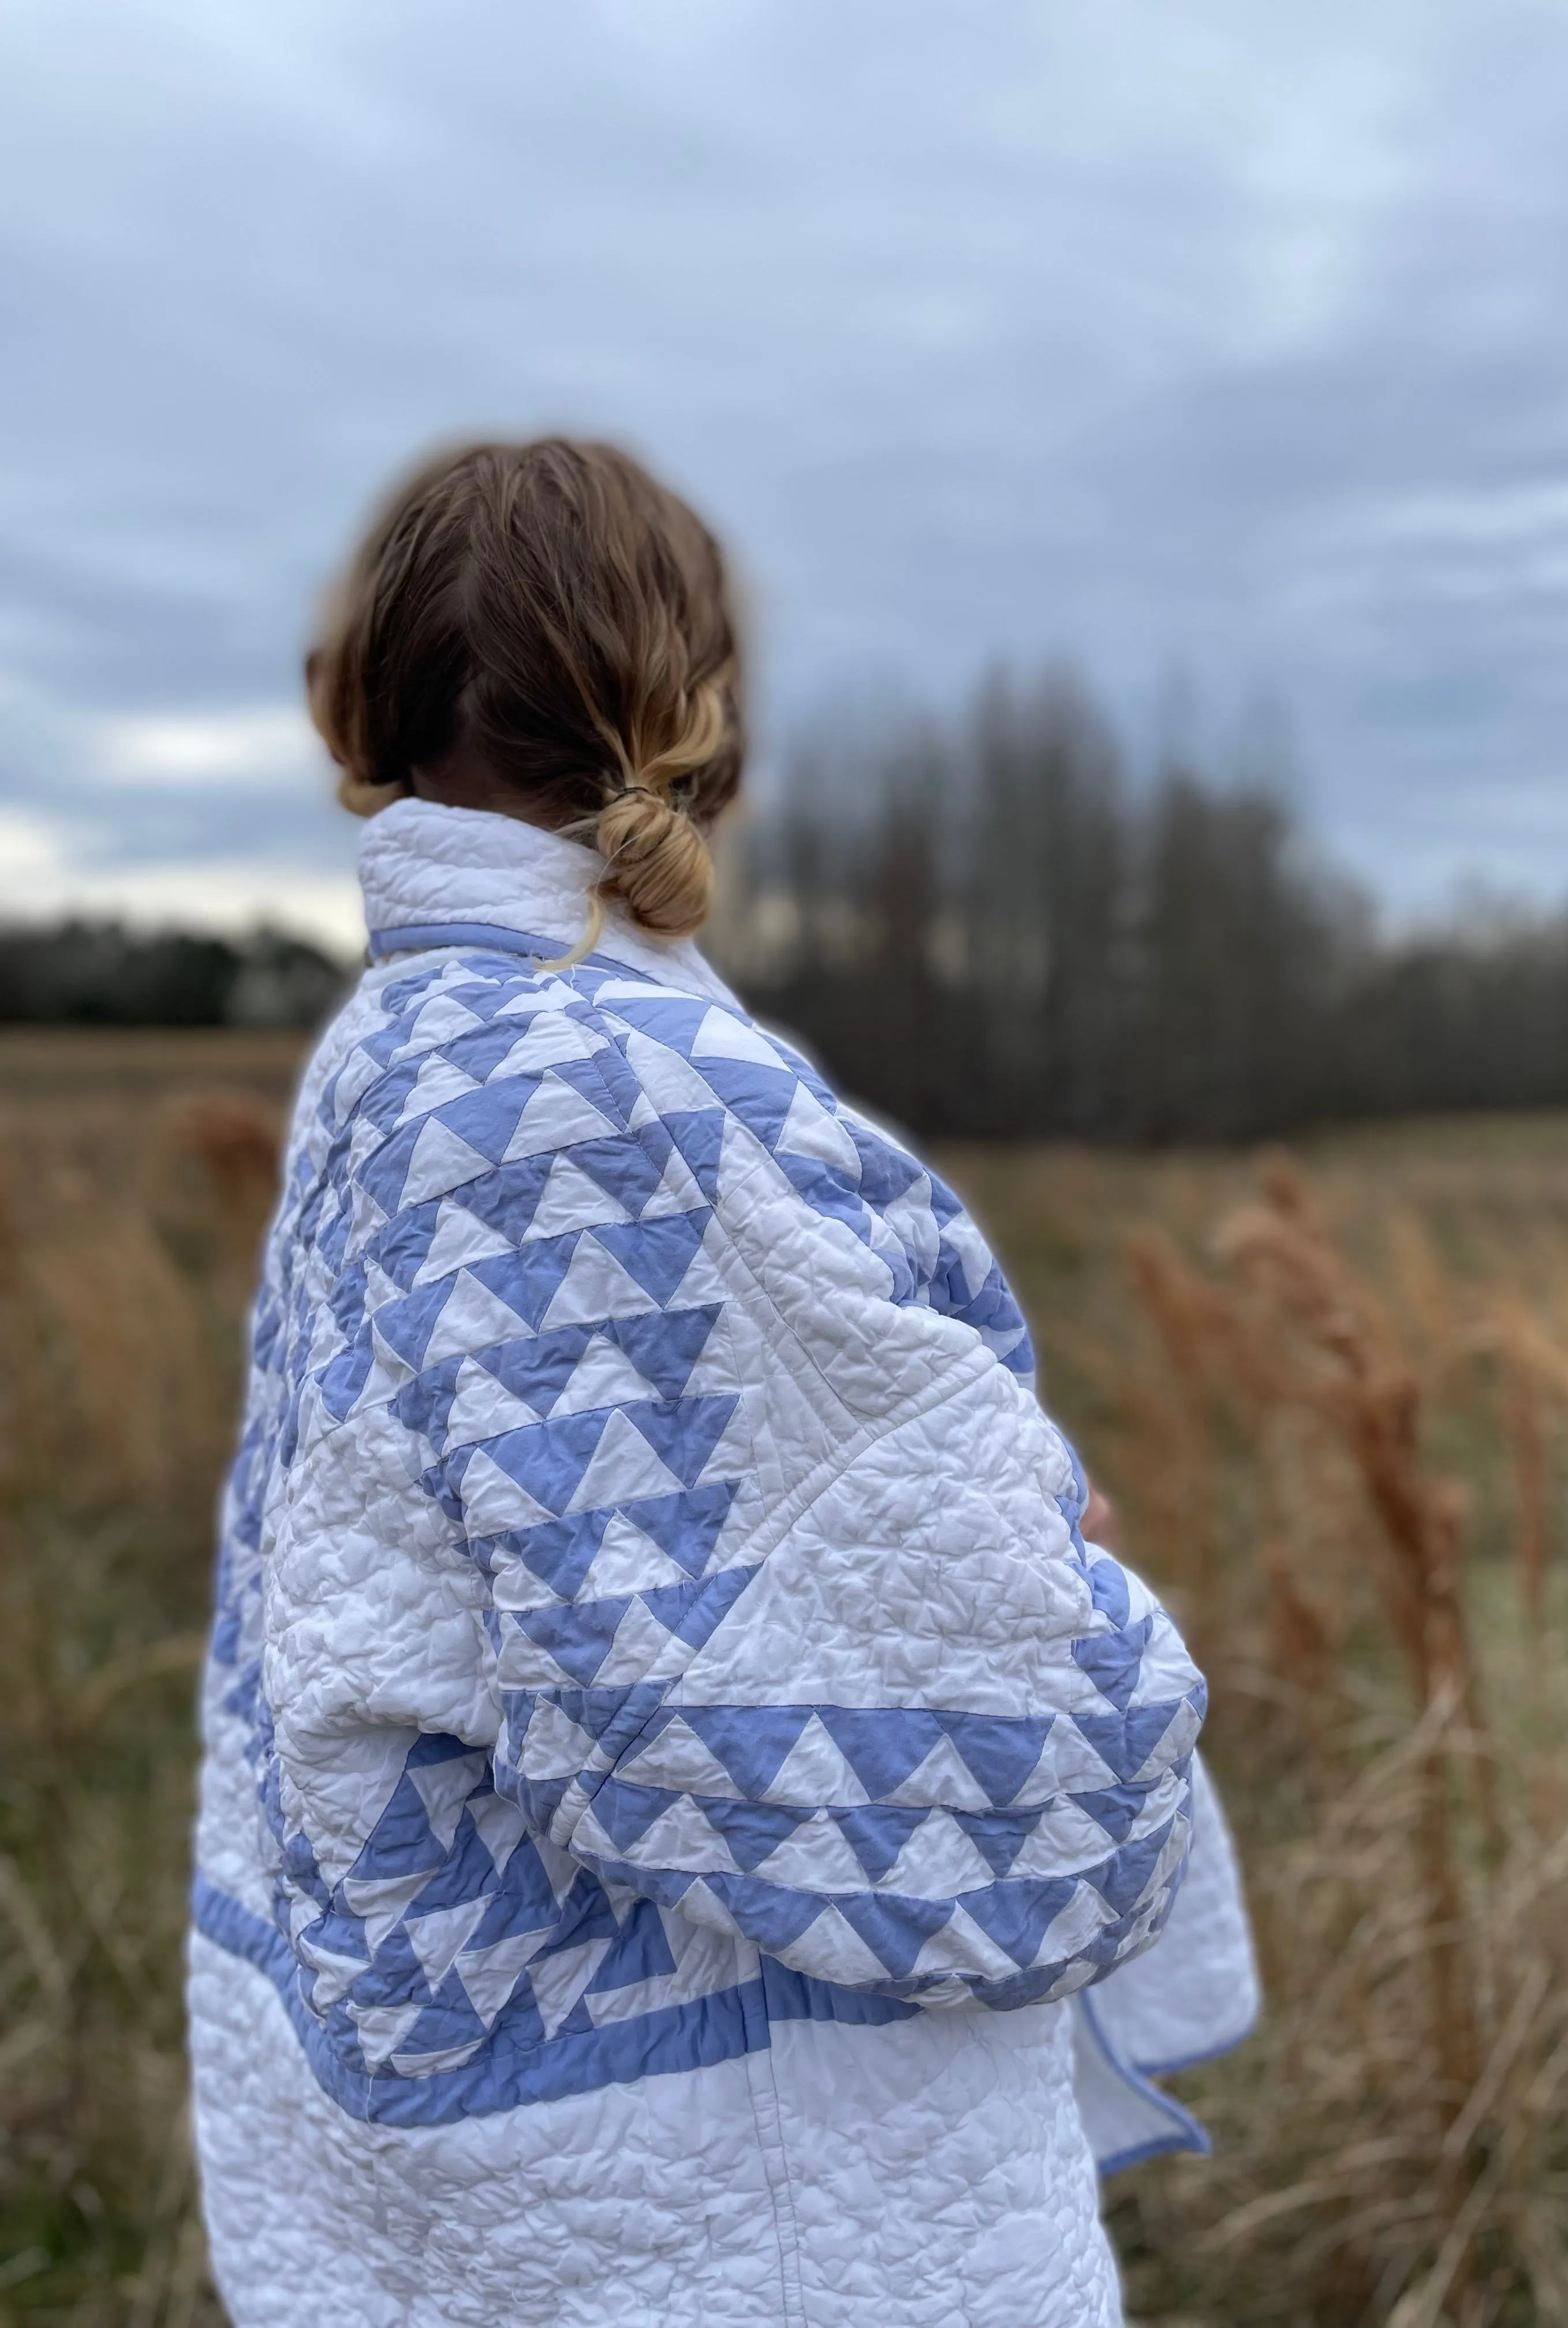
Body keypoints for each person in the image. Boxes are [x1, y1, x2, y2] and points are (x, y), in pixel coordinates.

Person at [187, 438, 1256, 2328]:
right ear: (691, 707)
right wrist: (1068, 1589)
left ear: (382, 698)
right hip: (704, 2186)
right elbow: (756, 1678)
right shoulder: (601, 1089)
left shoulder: (407, 1044)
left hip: (471, 2084)